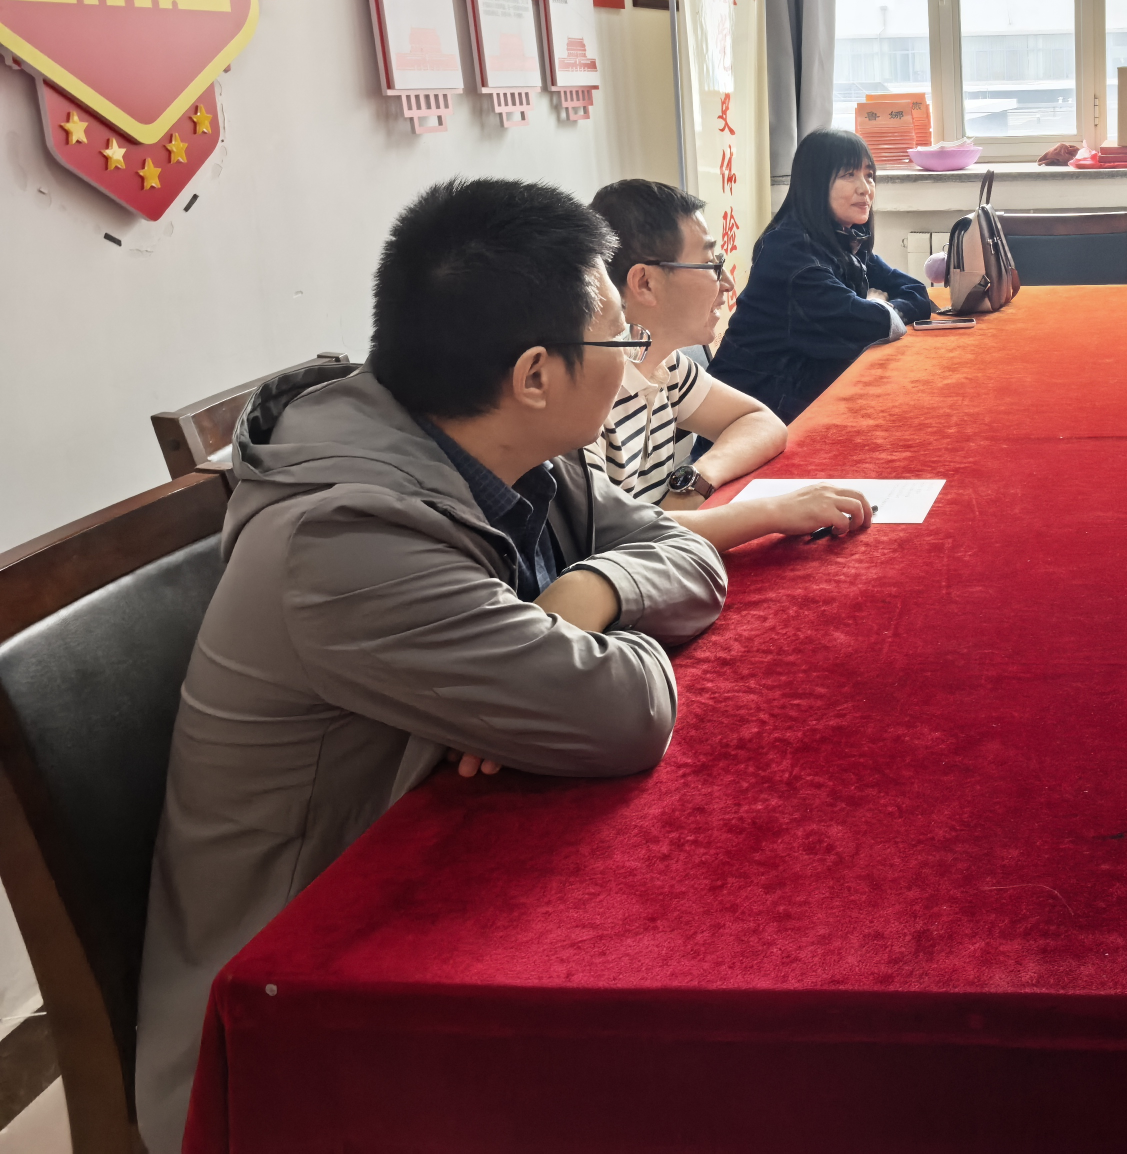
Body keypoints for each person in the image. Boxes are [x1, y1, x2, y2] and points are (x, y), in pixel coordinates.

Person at [133, 180, 728, 1154]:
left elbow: (688, 556)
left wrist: (582, 597)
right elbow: (627, 714)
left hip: (417, 902)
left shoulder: (513, 450)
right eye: (619, 342)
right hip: (286, 1025)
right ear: (534, 374)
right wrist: (556, 662)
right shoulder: (345, 538)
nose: (631, 366)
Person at [589, 179, 874, 549]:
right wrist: (773, 512)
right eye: (710, 264)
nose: (726, 283)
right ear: (645, 283)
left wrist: (693, 483)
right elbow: (617, 540)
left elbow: (761, 422)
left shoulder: (665, 364)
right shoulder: (589, 398)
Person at [711, 129, 935, 421]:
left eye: (869, 175)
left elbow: (918, 293)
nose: (865, 188)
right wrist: (879, 306)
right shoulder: (789, 253)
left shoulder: (840, 238)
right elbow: (875, 325)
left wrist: (880, 306)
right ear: (815, 183)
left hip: (795, 405)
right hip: (755, 419)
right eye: (848, 175)